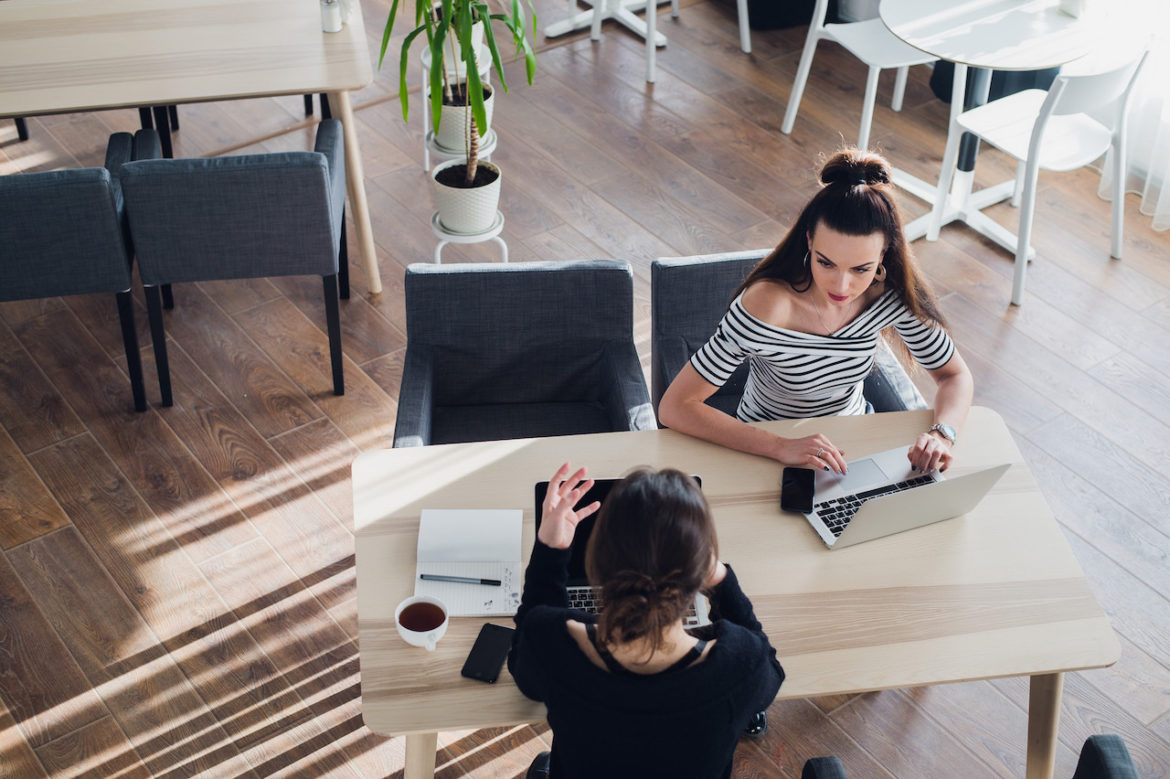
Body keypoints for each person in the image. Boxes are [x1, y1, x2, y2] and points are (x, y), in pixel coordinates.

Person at [658, 148, 973, 474]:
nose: (841, 286)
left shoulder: (890, 297)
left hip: (854, 445)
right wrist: (780, 447)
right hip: (766, 445)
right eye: (826, 263)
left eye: (860, 269)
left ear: (884, 256)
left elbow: (955, 376)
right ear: (808, 240)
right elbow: (676, 407)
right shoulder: (767, 305)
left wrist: (943, 434)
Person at [508, 463, 784, 779]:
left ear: (597, 563)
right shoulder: (742, 664)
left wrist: (550, 551)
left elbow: (526, 674)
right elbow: (770, 669)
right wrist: (722, 579)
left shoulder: (550, 642)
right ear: (698, 569)